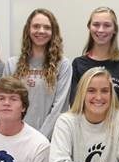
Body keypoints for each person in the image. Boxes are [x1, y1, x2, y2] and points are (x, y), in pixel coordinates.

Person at [50, 67, 119, 162]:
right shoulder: (66, 121)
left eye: (104, 91)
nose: (98, 97)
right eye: (91, 91)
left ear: (112, 94)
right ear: (82, 93)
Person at [5, 8, 71, 139]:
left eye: (47, 27)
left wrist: (39, 140)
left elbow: (59, 108)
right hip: (16, 137)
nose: (41, 31)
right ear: (28, 30)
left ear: (53, 32)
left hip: (49, 140)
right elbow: (6, 104)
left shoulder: (63, 65)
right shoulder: (12, 64)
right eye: (36, 26)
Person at [69, 7, 119, 113]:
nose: (101, 30)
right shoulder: (78, 64)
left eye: (107, 25)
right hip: (84, 128)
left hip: (117, 127)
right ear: (89, 27)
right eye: (96, 24)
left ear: (115, 29)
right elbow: (75, 105)